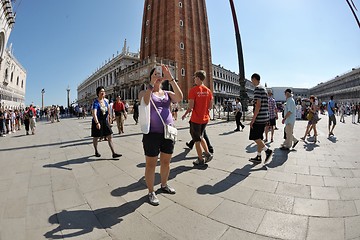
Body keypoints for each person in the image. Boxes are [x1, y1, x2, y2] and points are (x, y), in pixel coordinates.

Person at [138, 65, 183, 206]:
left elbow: (180, 97)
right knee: (151, 164)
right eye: (155, 74)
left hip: (168, 133)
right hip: (151, 134)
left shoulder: (168, 93)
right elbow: (145, 101)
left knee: (166, 162)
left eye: (160, 75)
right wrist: (151, 84)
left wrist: (171, 79)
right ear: (151, 77)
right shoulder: (146, 92)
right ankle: (151, 192)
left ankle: (164, 185)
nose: (158, 76)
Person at [182, 70, 213, 165]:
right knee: (201, 136)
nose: (194, 79)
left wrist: (184, 114)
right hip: (205, 119)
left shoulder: (193, 90)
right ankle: (207, 154)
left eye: (195, 78)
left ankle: (200, 159)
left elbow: (190, 106)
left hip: (196, 119)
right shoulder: (208, 91)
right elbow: (210, 106)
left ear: (198, 78)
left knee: (197, 140)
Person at [248, 73, 273, 164]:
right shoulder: (264, 89)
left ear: (254, 79)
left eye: (252, 80)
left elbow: (258, 105)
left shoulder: (257, 89)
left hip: (259, 118)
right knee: (259, 138)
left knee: (255, 137)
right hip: (265, 117)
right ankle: (258, 157)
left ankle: (267, 151)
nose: (251, 82)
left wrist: (252, 120)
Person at [91, 86, 122, 159]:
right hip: (97, 121)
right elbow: (94, 113)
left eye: (104, 91)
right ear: (98, 93)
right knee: (96, 137)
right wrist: (97, 123)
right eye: (101, 91)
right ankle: (96, 151)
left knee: (110, 136)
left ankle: (113, 153)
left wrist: (110, 117)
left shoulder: (105, 101)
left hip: (104, 121)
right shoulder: (96, 102)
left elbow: (108, 110)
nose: (103, 93)